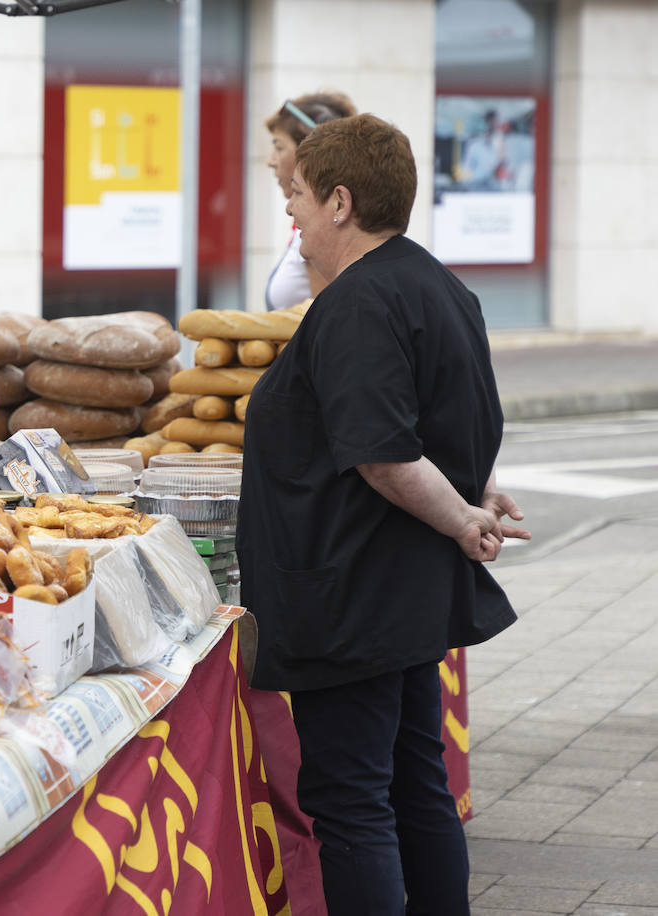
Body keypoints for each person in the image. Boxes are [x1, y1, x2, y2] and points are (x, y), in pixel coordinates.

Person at [236, 113, 531, 915]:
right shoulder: (435, 282)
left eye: (295, 193)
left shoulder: (362, 301)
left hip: (353, 593)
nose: (288, 212)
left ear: (339, 201)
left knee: (352, 801)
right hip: (399, 590)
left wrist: (464, 520)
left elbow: (384, 453)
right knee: (412, 781)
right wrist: (473, 493)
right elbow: (449, 416)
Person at [263, 92, 356, 310]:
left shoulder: (323, 228)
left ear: (310, 153)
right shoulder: (312, 223)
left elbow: (325, 322)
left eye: (279, 147)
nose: (270, 161)